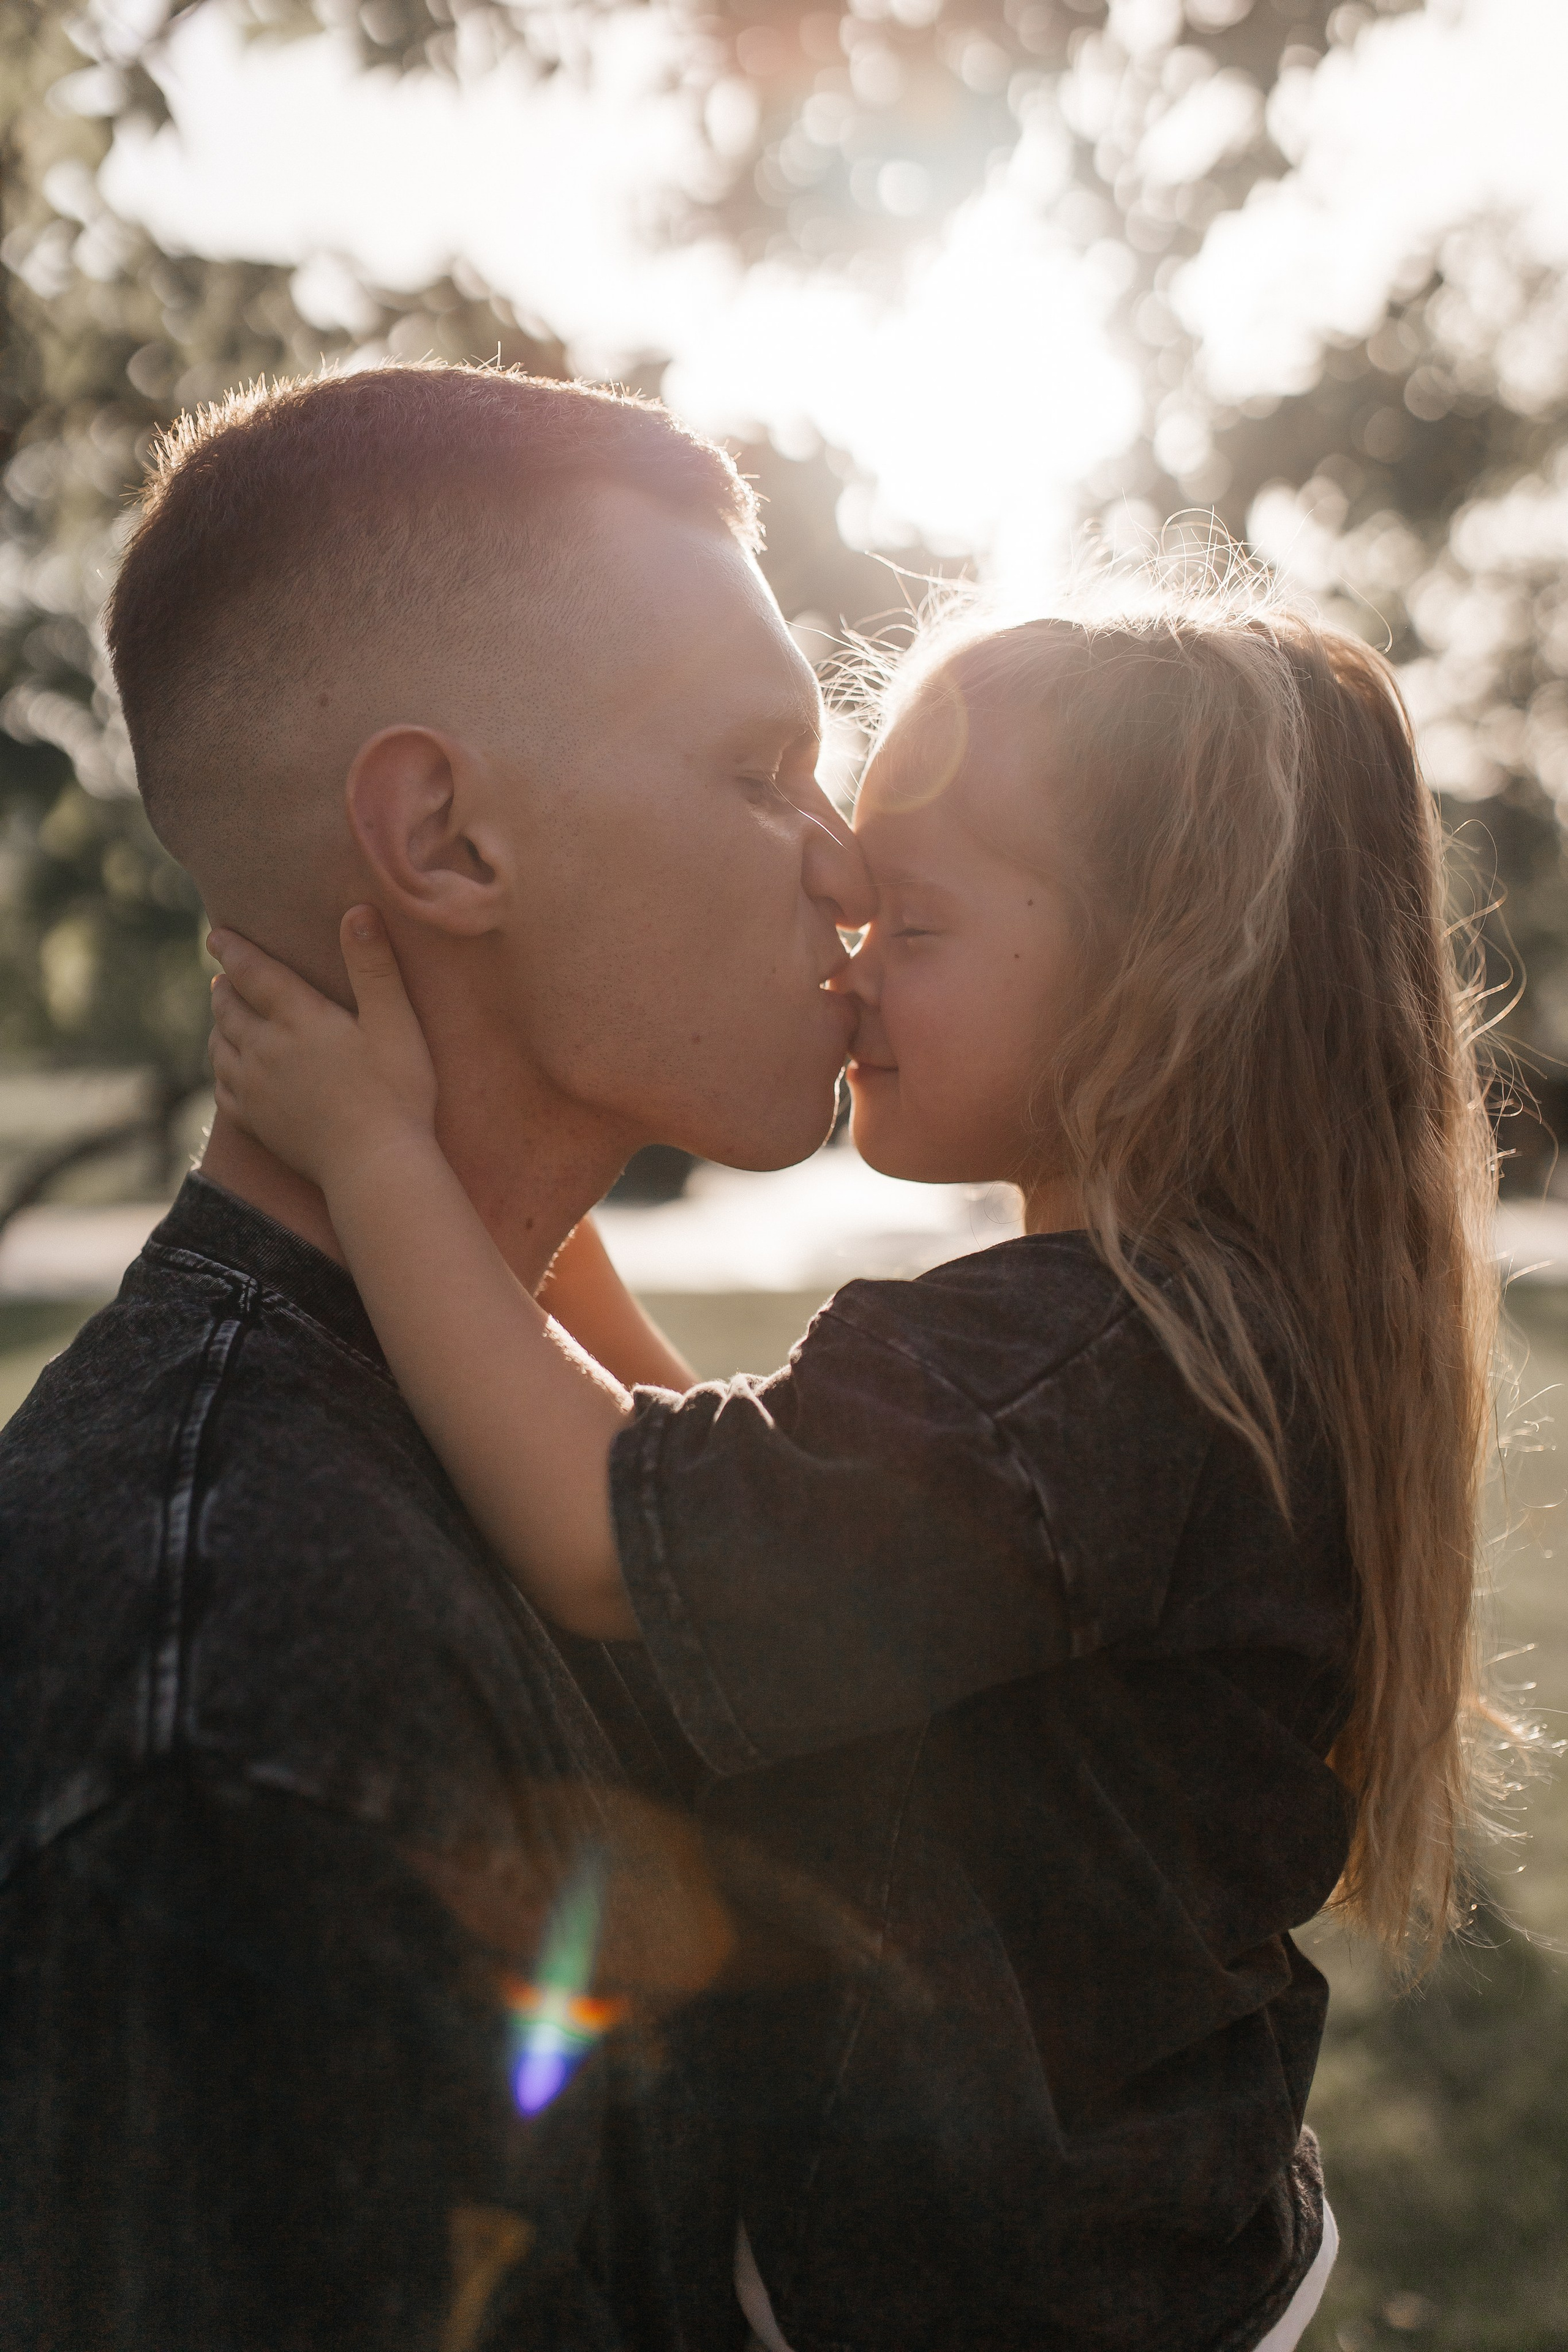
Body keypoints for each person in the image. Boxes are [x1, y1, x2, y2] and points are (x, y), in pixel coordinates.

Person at [209, 577, 1502, 2352]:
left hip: (984, 2291)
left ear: (1161, 985)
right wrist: (513, 1199)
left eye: (918, 922)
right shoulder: (1193, 1339)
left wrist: (373, 1155)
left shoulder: (1072, 1368)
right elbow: (740, 1530)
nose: (848, 953)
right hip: (1166, 2238)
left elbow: (616, 1542)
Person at [0, 362, 877, 2350]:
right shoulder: (231, 1691)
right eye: (758, 774)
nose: (847, 871)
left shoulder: (522, 1453)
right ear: (445, 841)